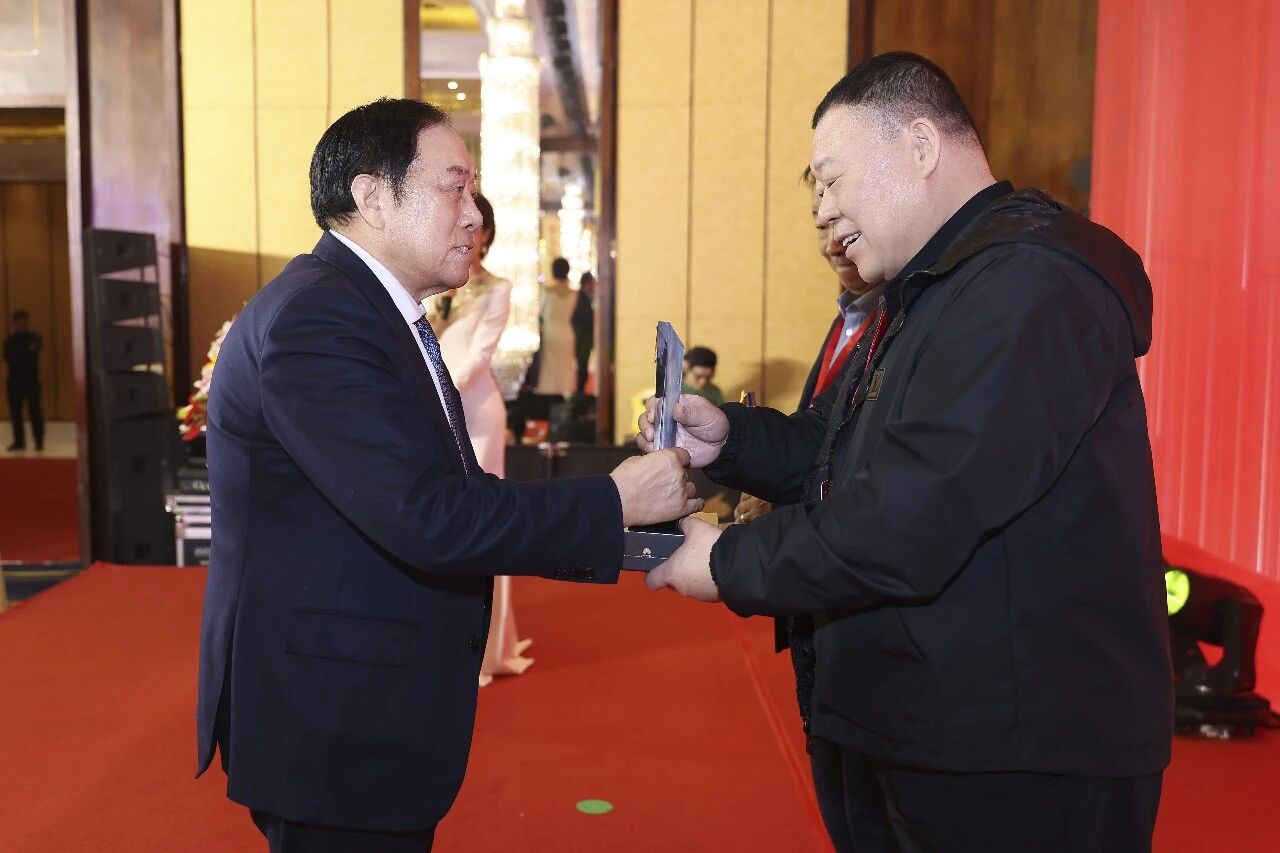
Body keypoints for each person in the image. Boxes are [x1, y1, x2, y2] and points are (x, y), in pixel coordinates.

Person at [639, 52, 1171, 852]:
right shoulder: (933, 288)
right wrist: (730, 439)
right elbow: (838, 446)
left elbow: (914, 511)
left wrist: (727, 560)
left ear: (920, 146)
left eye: (831, 179)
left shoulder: (1027, 287)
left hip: (1010, 751)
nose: (822, 209)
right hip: (921, 718)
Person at [197, 98, 701, 852]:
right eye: (453, 187)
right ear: (372, 197)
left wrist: (624, 520)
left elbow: (446, 498)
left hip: (358, 697)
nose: (473, 214)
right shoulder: (321, 319)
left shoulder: (366, 308)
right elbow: (429, 515)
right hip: (333, 715)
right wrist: (613, 500)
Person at [733, 167, 888, 853]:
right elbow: (818, 441)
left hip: (862, 602)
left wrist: (730, 561)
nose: (831, 239)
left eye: (842, 220)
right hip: (823, 613)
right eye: (821, 222)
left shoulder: (903, 322)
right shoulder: (850, 318)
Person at [427, 192, 532, 687]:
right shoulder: (435, 284)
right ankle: (445, 637)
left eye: (475, 225)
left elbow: (478, 357)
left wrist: (435, 391)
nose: (467, 231)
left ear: (486, 233)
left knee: (485, 523)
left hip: (476, 414)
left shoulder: (497, 289)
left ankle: (489, 648)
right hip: (433, 411)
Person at [534, 256, 575, 396]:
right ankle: (565, 390)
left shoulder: (547, 291)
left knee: (550, 365)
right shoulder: (574, 294)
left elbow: (540, 312)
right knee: (565, 366)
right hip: (567, 332)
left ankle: (549, 392)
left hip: (550, 332)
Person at [4, 310, 44, 452]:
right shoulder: (9, 340)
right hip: (14, 382)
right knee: (16, 414)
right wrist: (25, 352)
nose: (21, 324)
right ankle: (19, 442)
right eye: (18, 322)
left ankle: (39, 441)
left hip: (32, 381)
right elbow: (9, 357)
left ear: (27, 322)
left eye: (23, 321)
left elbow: (33, 352)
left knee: (35, 412)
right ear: (14, 324)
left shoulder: (35, 337)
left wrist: (20, 354)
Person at [571, 270, 595, 395]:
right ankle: (580, 394)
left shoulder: (583, 297)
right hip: (582, 339)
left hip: (583, 339)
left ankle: (580, 393)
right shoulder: (581, 298)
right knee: (582, 368)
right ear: (587, 284)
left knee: (582, 367)